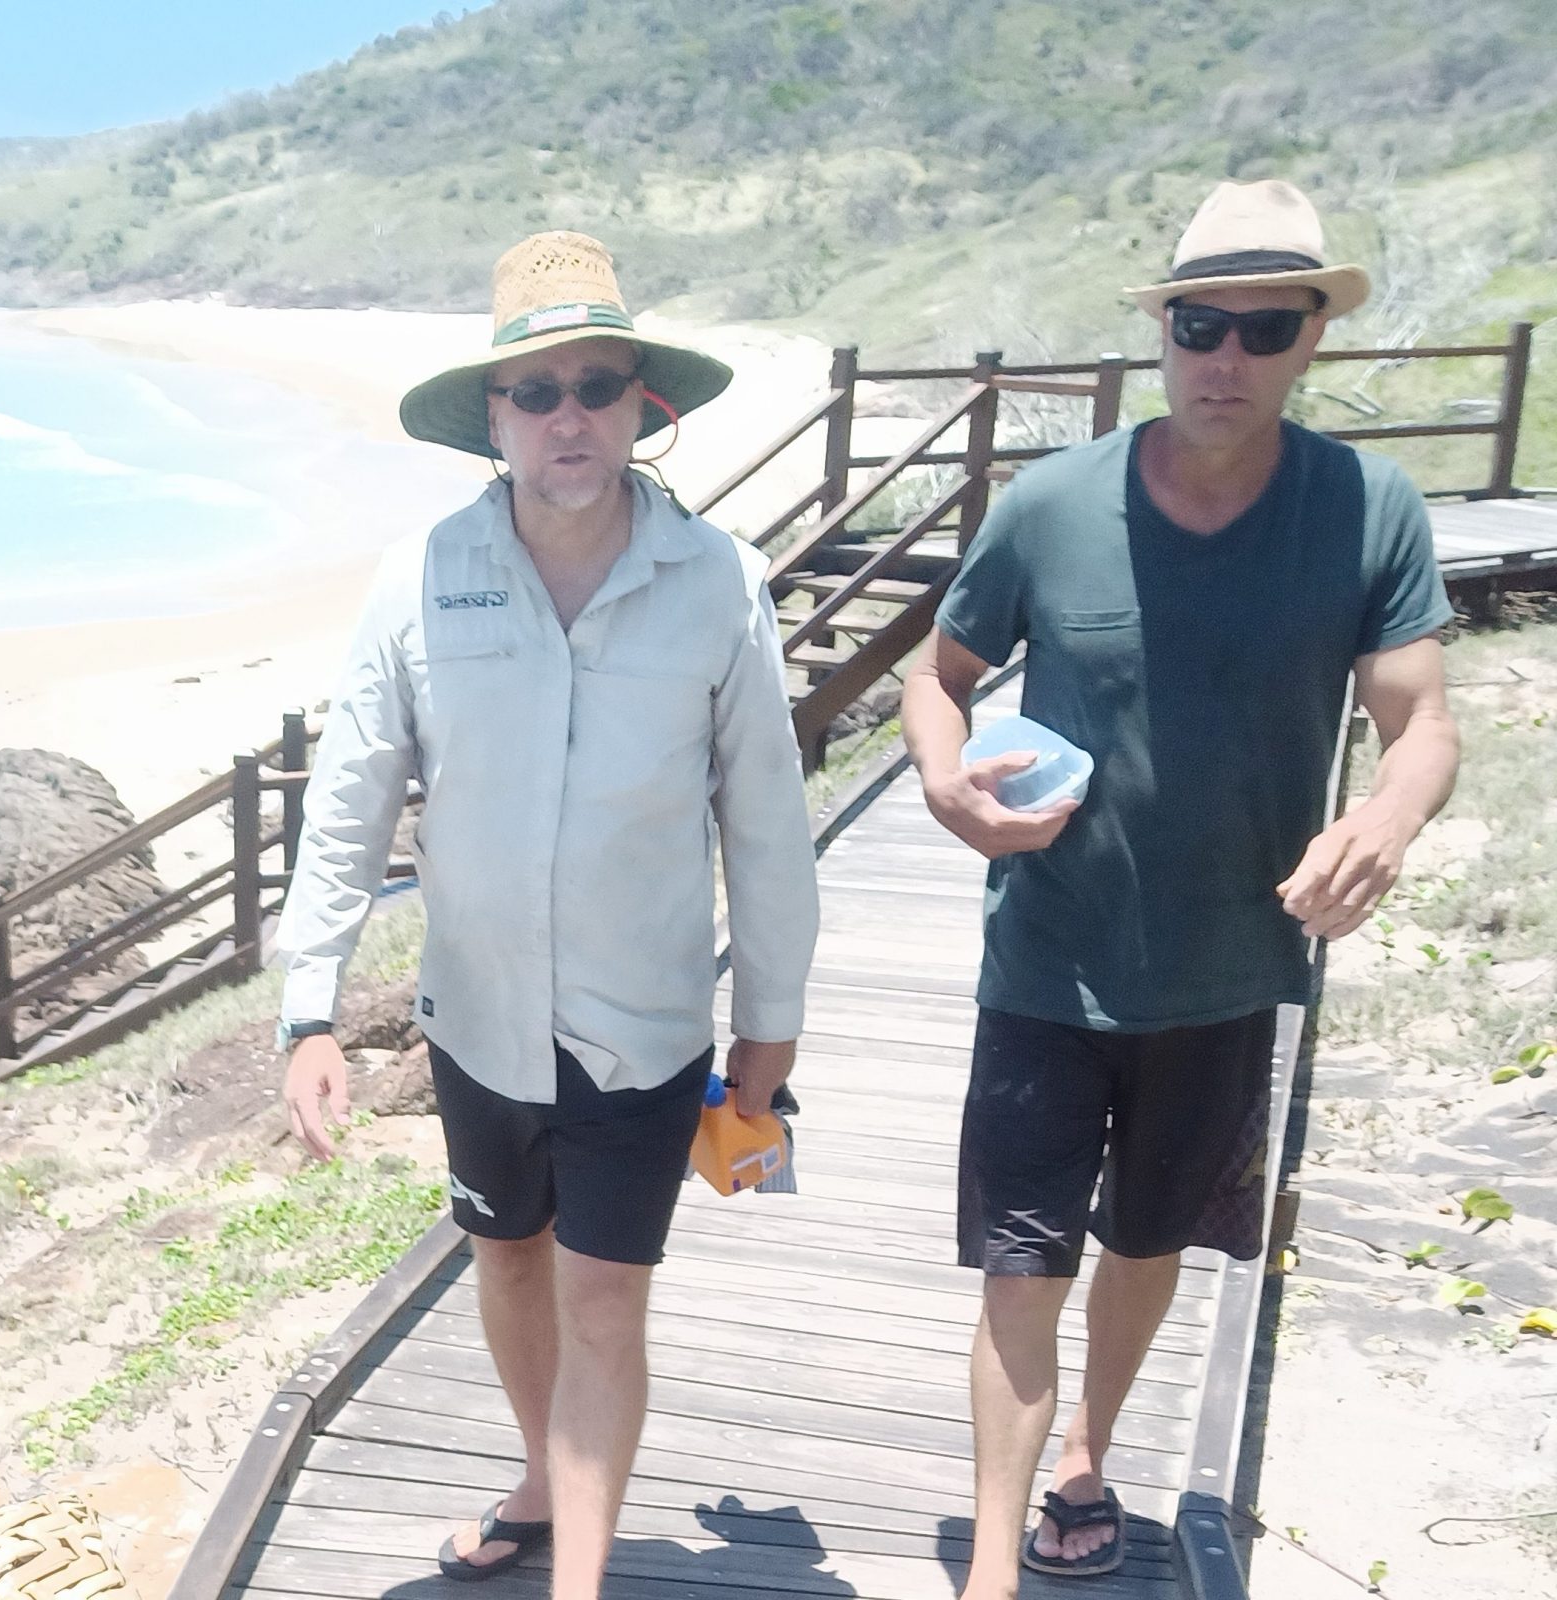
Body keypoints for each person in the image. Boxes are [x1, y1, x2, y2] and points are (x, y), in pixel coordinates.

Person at [901, 180, 1461, 1594]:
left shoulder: (1366, 509)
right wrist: (943, 781)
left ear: (1311, 338)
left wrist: (1386, 818)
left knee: (1147, 1239)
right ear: (1163, 330)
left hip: (1230, 966)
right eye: (1200, 323)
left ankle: (1090, 1449)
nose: (1226, 356)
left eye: (1264, 328)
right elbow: (935, 677)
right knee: (1021, 1262)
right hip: (1049, 955)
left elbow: (1423, 722)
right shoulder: (1050, 505)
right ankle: (989, 1563)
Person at [272, 231, 820, 1600]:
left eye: (598, 383)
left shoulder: (719, 583)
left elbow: (767, 821)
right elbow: (349, 800)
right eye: (538, 390)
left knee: (601, 1294)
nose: (569, 414)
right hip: (479, 1016)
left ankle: (577, 1579)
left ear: (647, 405)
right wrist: (308, 1006)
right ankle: (539, 1472)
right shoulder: (420, 577)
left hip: (640, 1025)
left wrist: (771, 1026)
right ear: (496, 417)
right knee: (505, 1257)